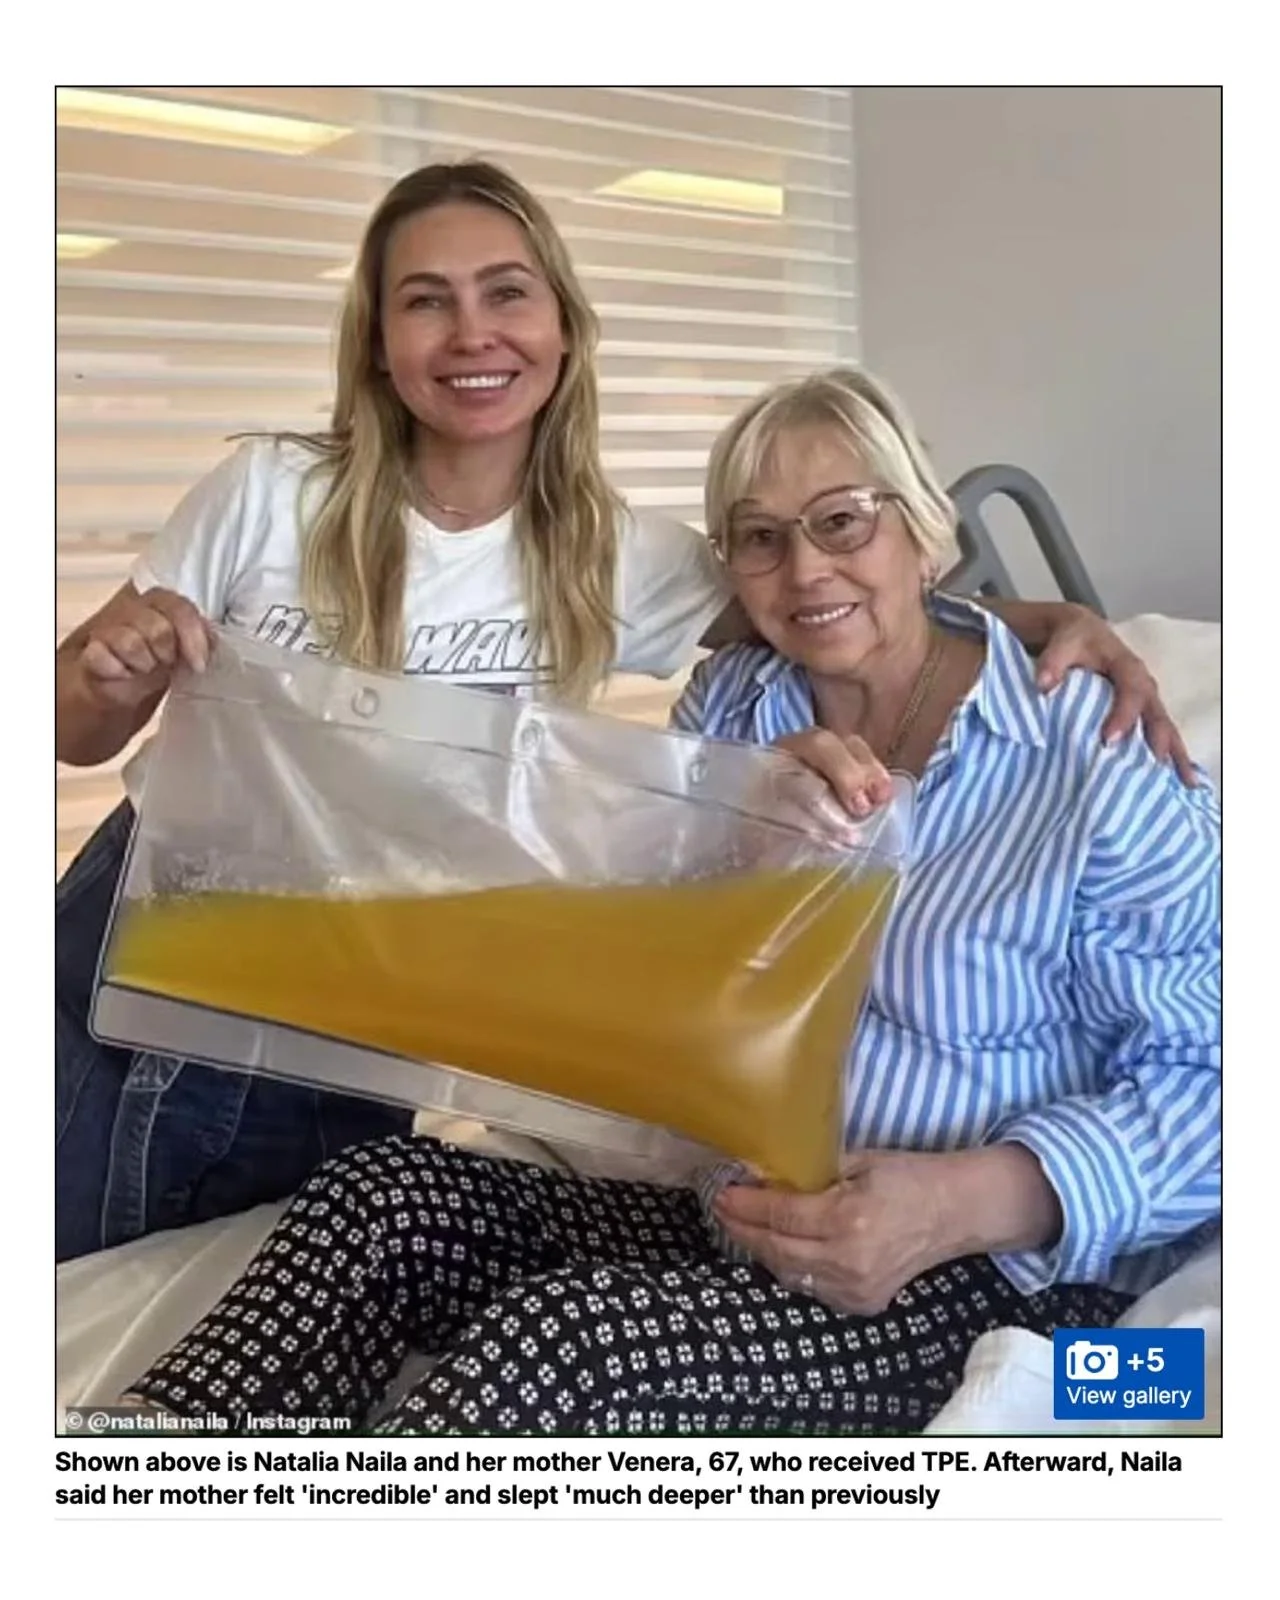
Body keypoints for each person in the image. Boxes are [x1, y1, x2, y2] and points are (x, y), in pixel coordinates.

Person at [56, 158, 1187, 1264]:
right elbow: (74, 727)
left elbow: (833, 590)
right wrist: (109, 673)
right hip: (164, 920)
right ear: (378, 346)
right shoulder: (268, 492)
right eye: (424, 302)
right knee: (68, 1260)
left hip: (373, 979)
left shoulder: (615, 555)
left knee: (254, 1268)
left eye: (506, 292)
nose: (471, 334)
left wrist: (1043, 623)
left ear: (560, 327)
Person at [118, 365, 1220, 1438]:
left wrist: (965, 1200)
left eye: (842, 521)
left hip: (973, 1270)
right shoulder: (737, 705)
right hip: (734, 1213)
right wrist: (738, 826)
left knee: (572, 1341)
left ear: (924, 530)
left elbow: (1220, 1078)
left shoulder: (1098, 757)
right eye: (758, 536)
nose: (802, 568)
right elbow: (652, 953)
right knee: (377, 1200)